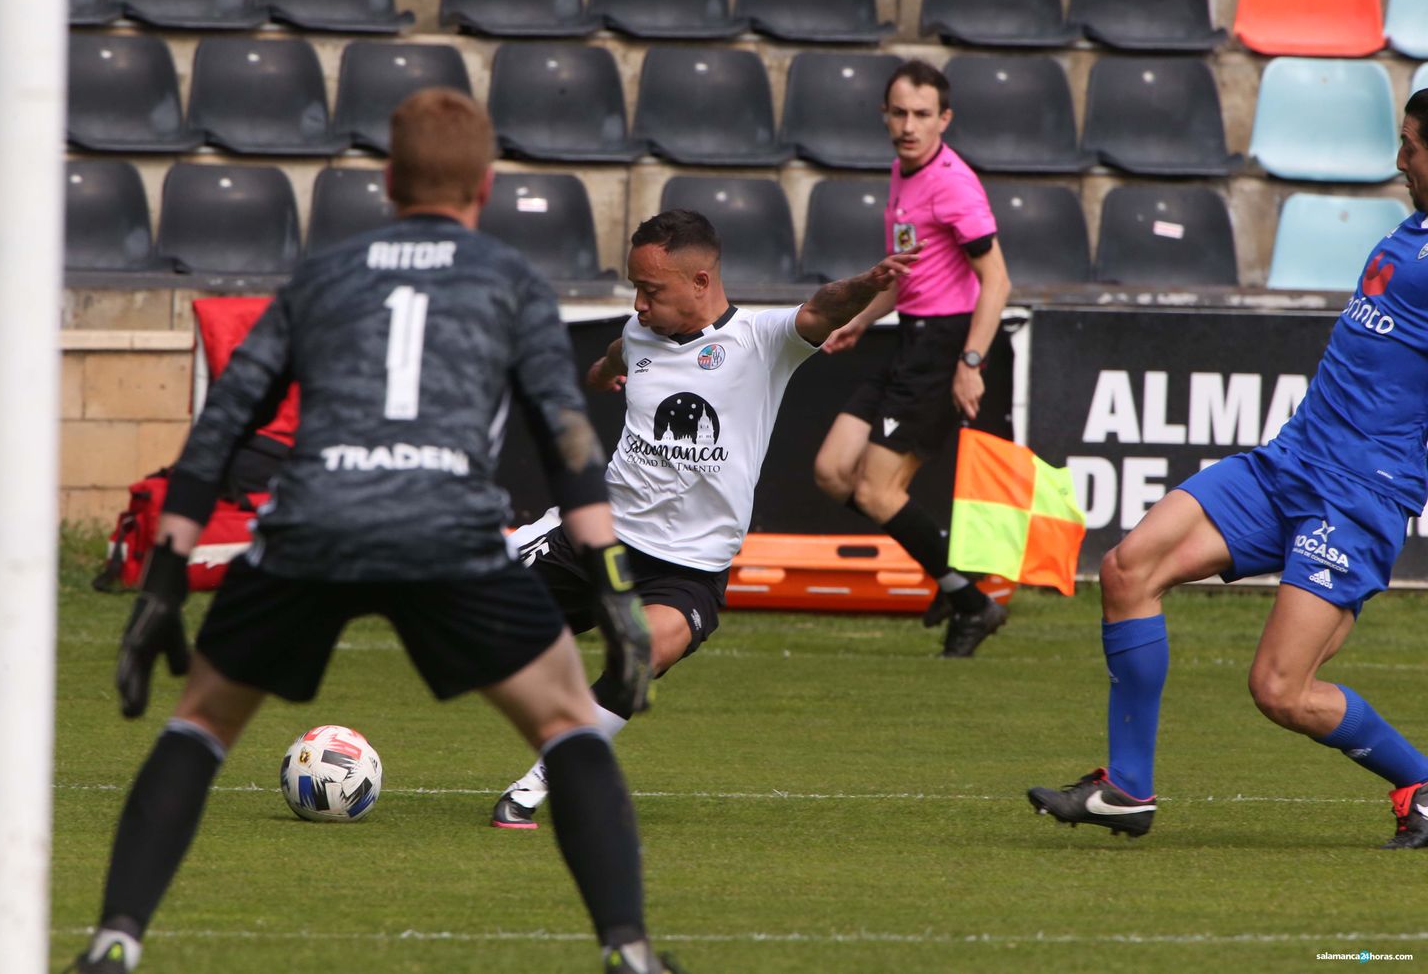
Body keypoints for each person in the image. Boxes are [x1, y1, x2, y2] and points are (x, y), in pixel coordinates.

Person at [70, 89, 676, 974]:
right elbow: (572, 449)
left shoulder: (324, 274)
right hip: (450, 533)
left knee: (199, 724)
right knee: (568, 730)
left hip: (316, 525)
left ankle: (113, 944)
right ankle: (629, 952)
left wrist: (164, 575)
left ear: (387, 180)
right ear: (487, 186)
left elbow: (223, 424)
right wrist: (617, 595)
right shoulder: (510, 282)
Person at [1028, 89, 1428, 847]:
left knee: (1280, 690)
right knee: (1125, 569)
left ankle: (1422, 782)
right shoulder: (1412, 232)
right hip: (1290, 463)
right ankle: (1127, 789)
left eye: (1410, 145)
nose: (1399, 159)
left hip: (1357, 496)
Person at [489, 208, 912, 828]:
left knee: (643, 651)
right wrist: (606, 372)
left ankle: (538, 783)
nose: (638, 304)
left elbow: (823, 307)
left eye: (650, 290)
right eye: (635, 289)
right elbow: (615, 353)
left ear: (700, 280)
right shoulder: (639, 336)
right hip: (595, 537)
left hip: (686, 570)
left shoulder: (763, 342)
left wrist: (868, 284)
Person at [812, 59, 1013, 659]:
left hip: (946, 347)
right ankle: (957, 587)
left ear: (943, 119)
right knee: (830, 471)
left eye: (922, 114)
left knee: (876, 491)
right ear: (885, 116)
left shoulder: (953, 183)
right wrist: (858, 320)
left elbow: (997, 281)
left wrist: (970, 361)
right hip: (910, 339)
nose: (909, 124)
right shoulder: (903, 172)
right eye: (899, 112)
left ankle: (971, 603)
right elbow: (906, 274)